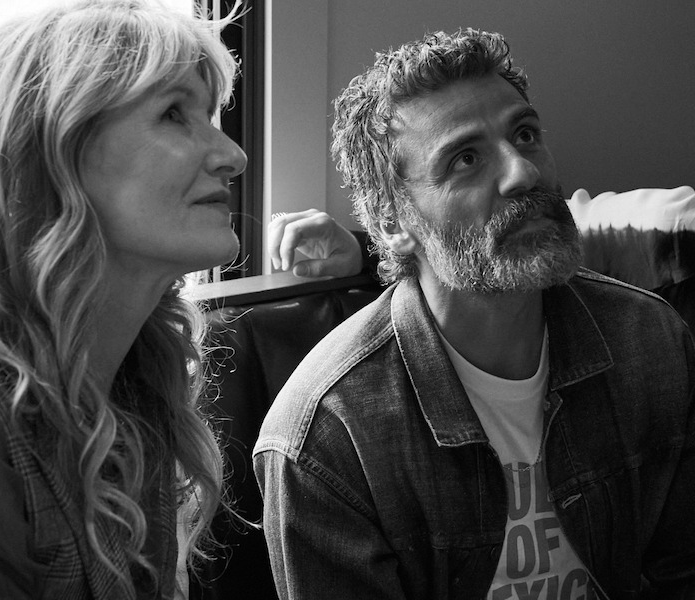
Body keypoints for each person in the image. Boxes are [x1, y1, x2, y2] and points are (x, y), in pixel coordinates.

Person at [253, 29, 695, 599]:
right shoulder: (327, 440)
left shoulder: (651, 341)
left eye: (526, 135)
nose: (523, 173)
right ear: (392, 222)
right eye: (466, 158)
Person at [0, 1, 248, 598]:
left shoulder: (136, 390)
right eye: (173, 113)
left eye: (209, 115)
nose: (233, 156)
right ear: (51, 158)